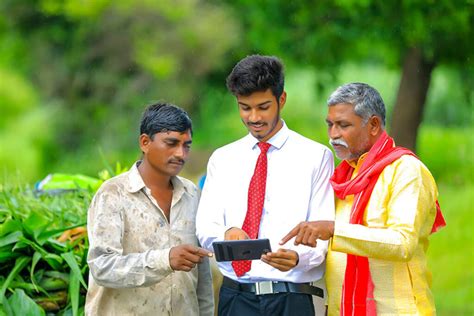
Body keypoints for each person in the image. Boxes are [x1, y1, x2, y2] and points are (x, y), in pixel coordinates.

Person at [280, 82, 446, 315]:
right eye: (330, 125)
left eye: (343, 125)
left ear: (374, 125)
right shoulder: (344, 177)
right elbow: (330, 243)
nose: (333, 135)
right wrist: (297, 255)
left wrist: (334, 230)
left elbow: (402, 242)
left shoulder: (406, 170)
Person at [195, 54, 335, 316]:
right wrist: (227, 232)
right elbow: (205, 226)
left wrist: (298, 258)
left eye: (263, 106)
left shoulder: (315, 157)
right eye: (245, 107)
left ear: (281, 100)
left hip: (292, 298)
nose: (254, 117)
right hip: (235, 297)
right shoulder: (223, 159)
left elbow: (323, 228)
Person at [85, 102, 214, 316]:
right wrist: (164, 260)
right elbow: (102, 267)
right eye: (171, 143)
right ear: (145, 142)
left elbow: (202, 275)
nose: (180, 154)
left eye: (186, 145)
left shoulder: (192, 194)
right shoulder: (113, 194)